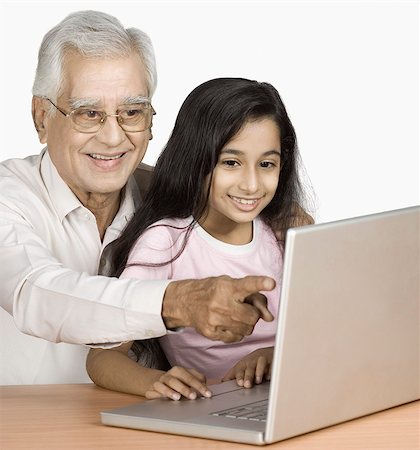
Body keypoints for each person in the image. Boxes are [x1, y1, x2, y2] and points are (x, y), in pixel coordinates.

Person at [0, 11, 295, 385]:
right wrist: (177, 302)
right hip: (27, 424)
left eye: (132, 112)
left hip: (147, 426)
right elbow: (35, 293)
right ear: (42, 117)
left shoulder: (173, 192)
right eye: (89, 113)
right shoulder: (8, 197)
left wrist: (287, 217)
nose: (112, 137)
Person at [86, 77, 310, 400]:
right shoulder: (165, 242)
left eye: (266, 164)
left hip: (294, 396)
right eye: (231, 162)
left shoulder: (281, 233)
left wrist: (274, 356)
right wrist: (154, 382)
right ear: (196, 160)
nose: (251, 184)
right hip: (217, 407)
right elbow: (102, 357)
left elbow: (324, 330)